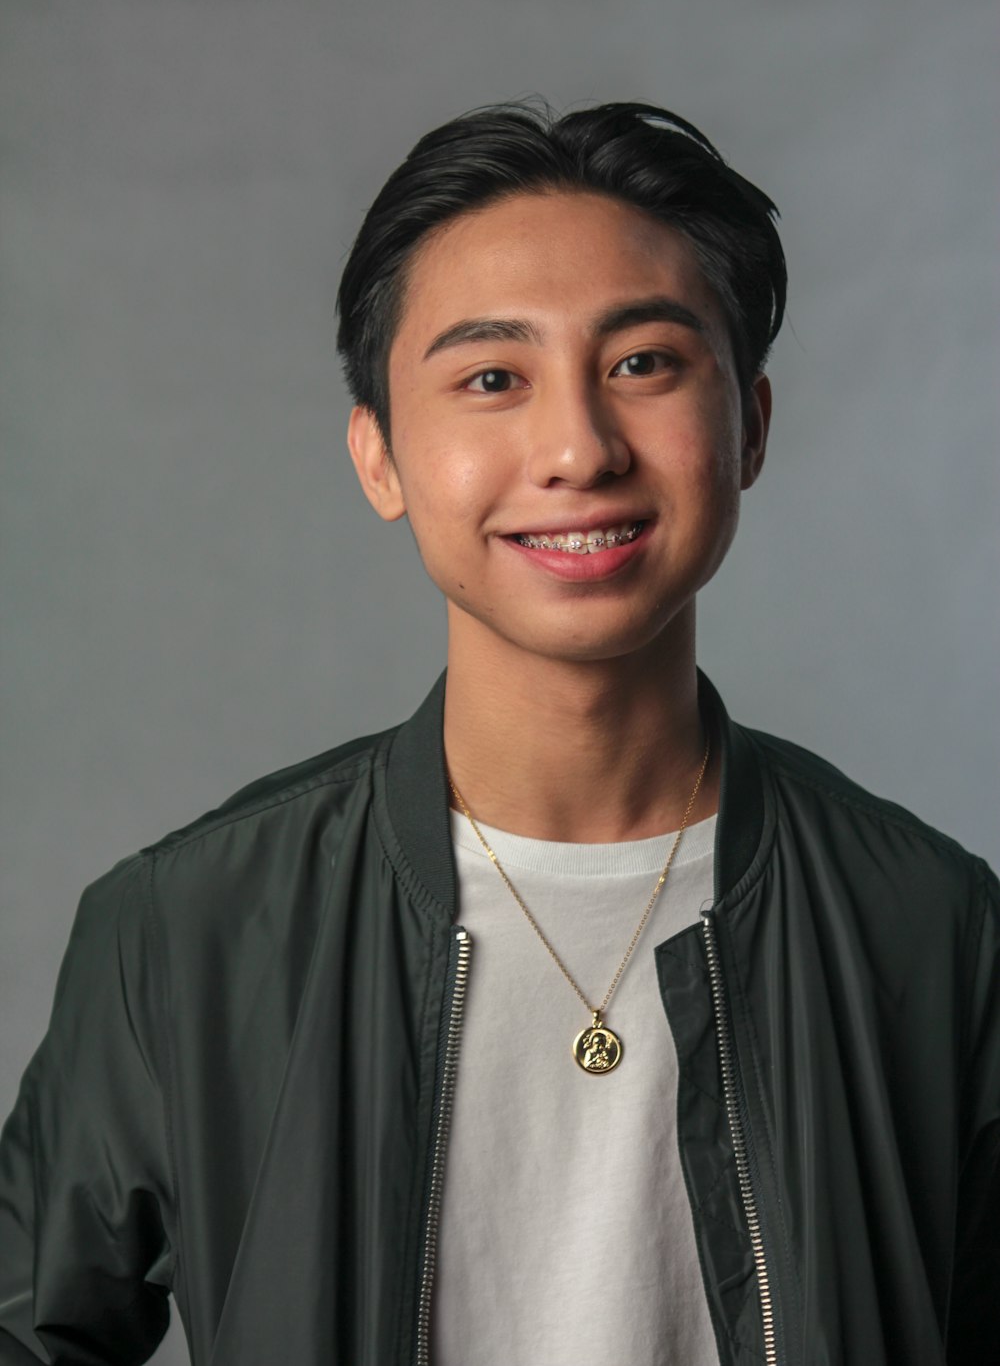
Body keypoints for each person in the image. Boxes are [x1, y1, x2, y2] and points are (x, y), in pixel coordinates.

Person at [0, 101, 996, 1366]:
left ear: (747, 424)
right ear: (380, 458)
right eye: (491, 379)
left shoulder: (927, 925)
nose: (578, 447)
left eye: (642, 363)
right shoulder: (184, 931)